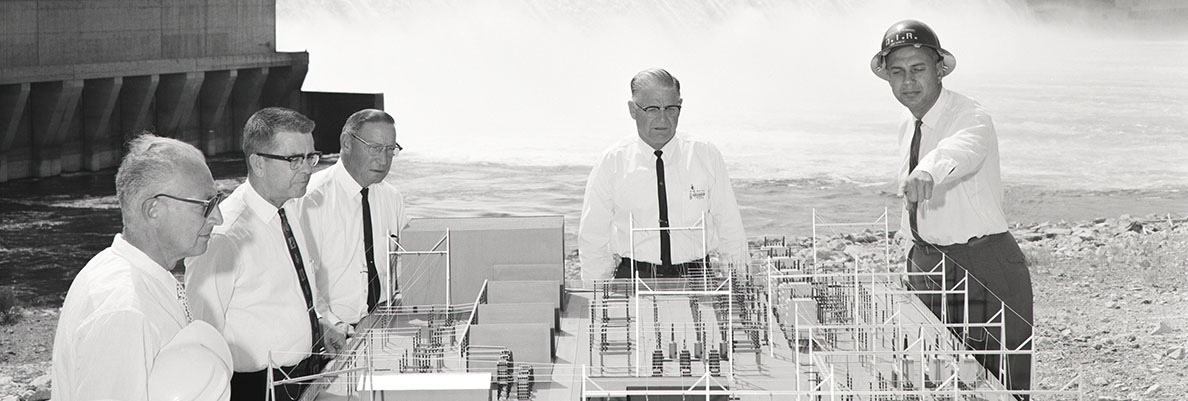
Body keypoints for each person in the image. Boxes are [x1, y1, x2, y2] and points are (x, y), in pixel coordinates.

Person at [871, 19, 1034, 399]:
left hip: (982, 264)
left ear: (939, 69)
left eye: (918, 69)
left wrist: (929, 170)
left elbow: (961, 149)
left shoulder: (970, 115)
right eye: (897, 72)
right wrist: (907, 251)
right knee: (936, 376)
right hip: (926, 265)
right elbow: (914, 202)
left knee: (1001, 384)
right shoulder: (907, 122)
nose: (907, 82)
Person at [52, 134, 230, 401]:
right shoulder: (123, 308)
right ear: (153, 210)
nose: (218, 217)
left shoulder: (135, 272)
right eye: (206, 205)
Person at [185, 107, 346, 401]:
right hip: (256, 389)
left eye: (311, 156)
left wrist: (320, 325)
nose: (308, 168)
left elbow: (284, 295)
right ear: (258, 163)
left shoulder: (289, 208)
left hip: (304, 376)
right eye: (294, 159)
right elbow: (201, 333)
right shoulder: (225, 235)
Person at [578, 68, 747, 282]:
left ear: (680, 106)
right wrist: (597, 296)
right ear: (632, 109)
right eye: (652, 109)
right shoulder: (612, 161)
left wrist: (741, 286)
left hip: (697, 277)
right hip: (633, 277)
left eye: (671, 108)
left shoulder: (705, 154)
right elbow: (593, 238)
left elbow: (730, 228)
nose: (663, 119)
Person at [301, 109, 408, 330]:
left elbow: (400, 269)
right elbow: (301, 280)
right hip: (331, 333)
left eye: (390, 150)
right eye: (375, 148)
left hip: (383, 325)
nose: (384, 159)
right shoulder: (310, 199)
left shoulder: (392, 197)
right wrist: (333, 325)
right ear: (346, 142)